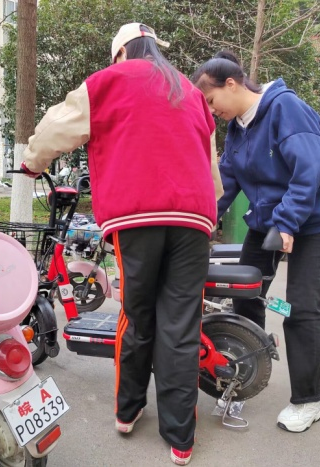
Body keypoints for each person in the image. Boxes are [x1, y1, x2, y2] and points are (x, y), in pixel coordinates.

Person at [21, 23, 222, 466]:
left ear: (120, 53)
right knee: (181, 325)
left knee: (137, 316)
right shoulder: (189, 90)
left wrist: (32, 162)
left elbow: (56, 129)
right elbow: (211, 166)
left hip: (138, 216)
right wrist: (209, 211)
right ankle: (181, 440)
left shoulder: (107, 81)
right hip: (194, 219)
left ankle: (128, 412)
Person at [191, 51, 320, 433]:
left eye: (211, 100)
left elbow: (309, 170)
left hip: (310, 220)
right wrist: (199, 221)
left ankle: (308, 401)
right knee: (246, 296)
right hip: (267, 220)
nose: (212, 111)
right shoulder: (237, 128)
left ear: (231, 84)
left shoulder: (285, 109)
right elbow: (224, 185)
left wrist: (287, 222)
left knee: (301, 306)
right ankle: (242, 374)